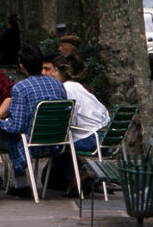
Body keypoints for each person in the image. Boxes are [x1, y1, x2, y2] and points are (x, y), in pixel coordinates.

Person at [0, 46, 68, 198]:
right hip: (56, 142)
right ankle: (20, 185)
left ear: (22, 66)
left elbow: (16, 126)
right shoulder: (58, 85)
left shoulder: (20, 88)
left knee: (5, 135)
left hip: (30, 144)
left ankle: (20, 184)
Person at [41, 54, 109, 194]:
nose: (45, 73)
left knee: (57, 144)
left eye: (49, 69)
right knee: (62, 144)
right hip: (106, 136)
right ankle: (79, 177)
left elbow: (66, 121)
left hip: (93, 138)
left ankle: (78, 179)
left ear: (59, 71)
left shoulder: (67, 88)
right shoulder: (78, 86)